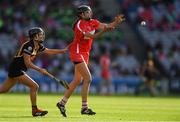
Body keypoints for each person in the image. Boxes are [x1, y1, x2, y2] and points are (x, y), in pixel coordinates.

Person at [56, 5, 125, 117]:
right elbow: (93, 36)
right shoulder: (79, 25)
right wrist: (104, 31)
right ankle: (84, 108)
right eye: (88, 12)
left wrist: (116, 22)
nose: (90, 13)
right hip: (77, 52)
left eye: (90, 11)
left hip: (85, 53)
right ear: (81, 14)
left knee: (78, 80)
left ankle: (62, 103)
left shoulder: (93, 21)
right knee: (88, 78)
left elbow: (106, 26)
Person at [0, 27, 68, 117]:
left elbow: (48, 51)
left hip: (17, 69)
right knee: (34, 86)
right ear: (35, 36)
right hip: (16, 69)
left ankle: (35, 110)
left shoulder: (38, 45)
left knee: (4, 90)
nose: (43, 36)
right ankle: (34, 110)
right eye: (40, 34)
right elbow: (27, 63)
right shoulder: (29, 45)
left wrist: (62, 51)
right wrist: (40, 69)